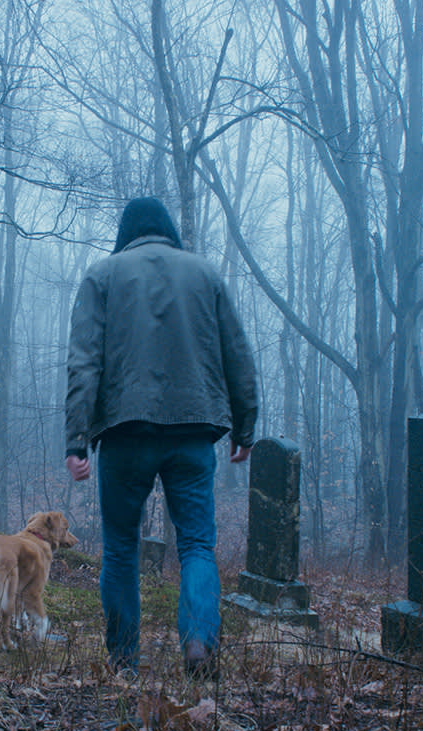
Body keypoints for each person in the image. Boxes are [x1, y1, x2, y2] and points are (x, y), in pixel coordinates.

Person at [64, 197, 259, 678]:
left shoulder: (102, 275)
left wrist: (76, 440)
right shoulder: (206, 274)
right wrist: (246, 425)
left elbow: (84, 362)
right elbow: (238, 353)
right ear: (169, 230)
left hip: (125, 432)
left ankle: (125, 662)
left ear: (126, 234)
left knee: (121, 546)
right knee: (195, 544)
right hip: (193, 430)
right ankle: (197, 641)